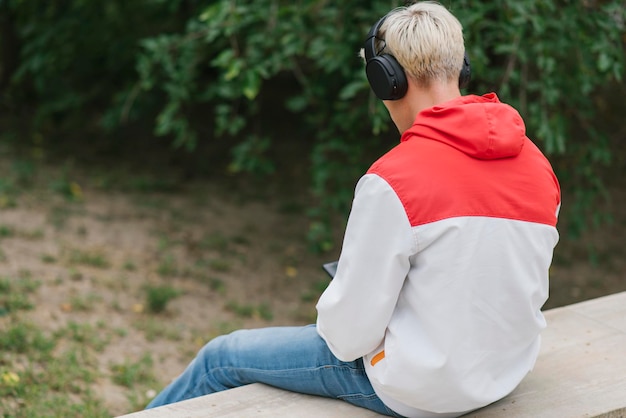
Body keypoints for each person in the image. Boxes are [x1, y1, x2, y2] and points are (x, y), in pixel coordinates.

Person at [145, 2, 561, 417]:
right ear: (461, 69)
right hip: (501, 376)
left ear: (387, 79)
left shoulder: (394, 181)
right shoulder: (538, 165)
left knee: (220, 357)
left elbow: (346, 339)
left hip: (417, 392)